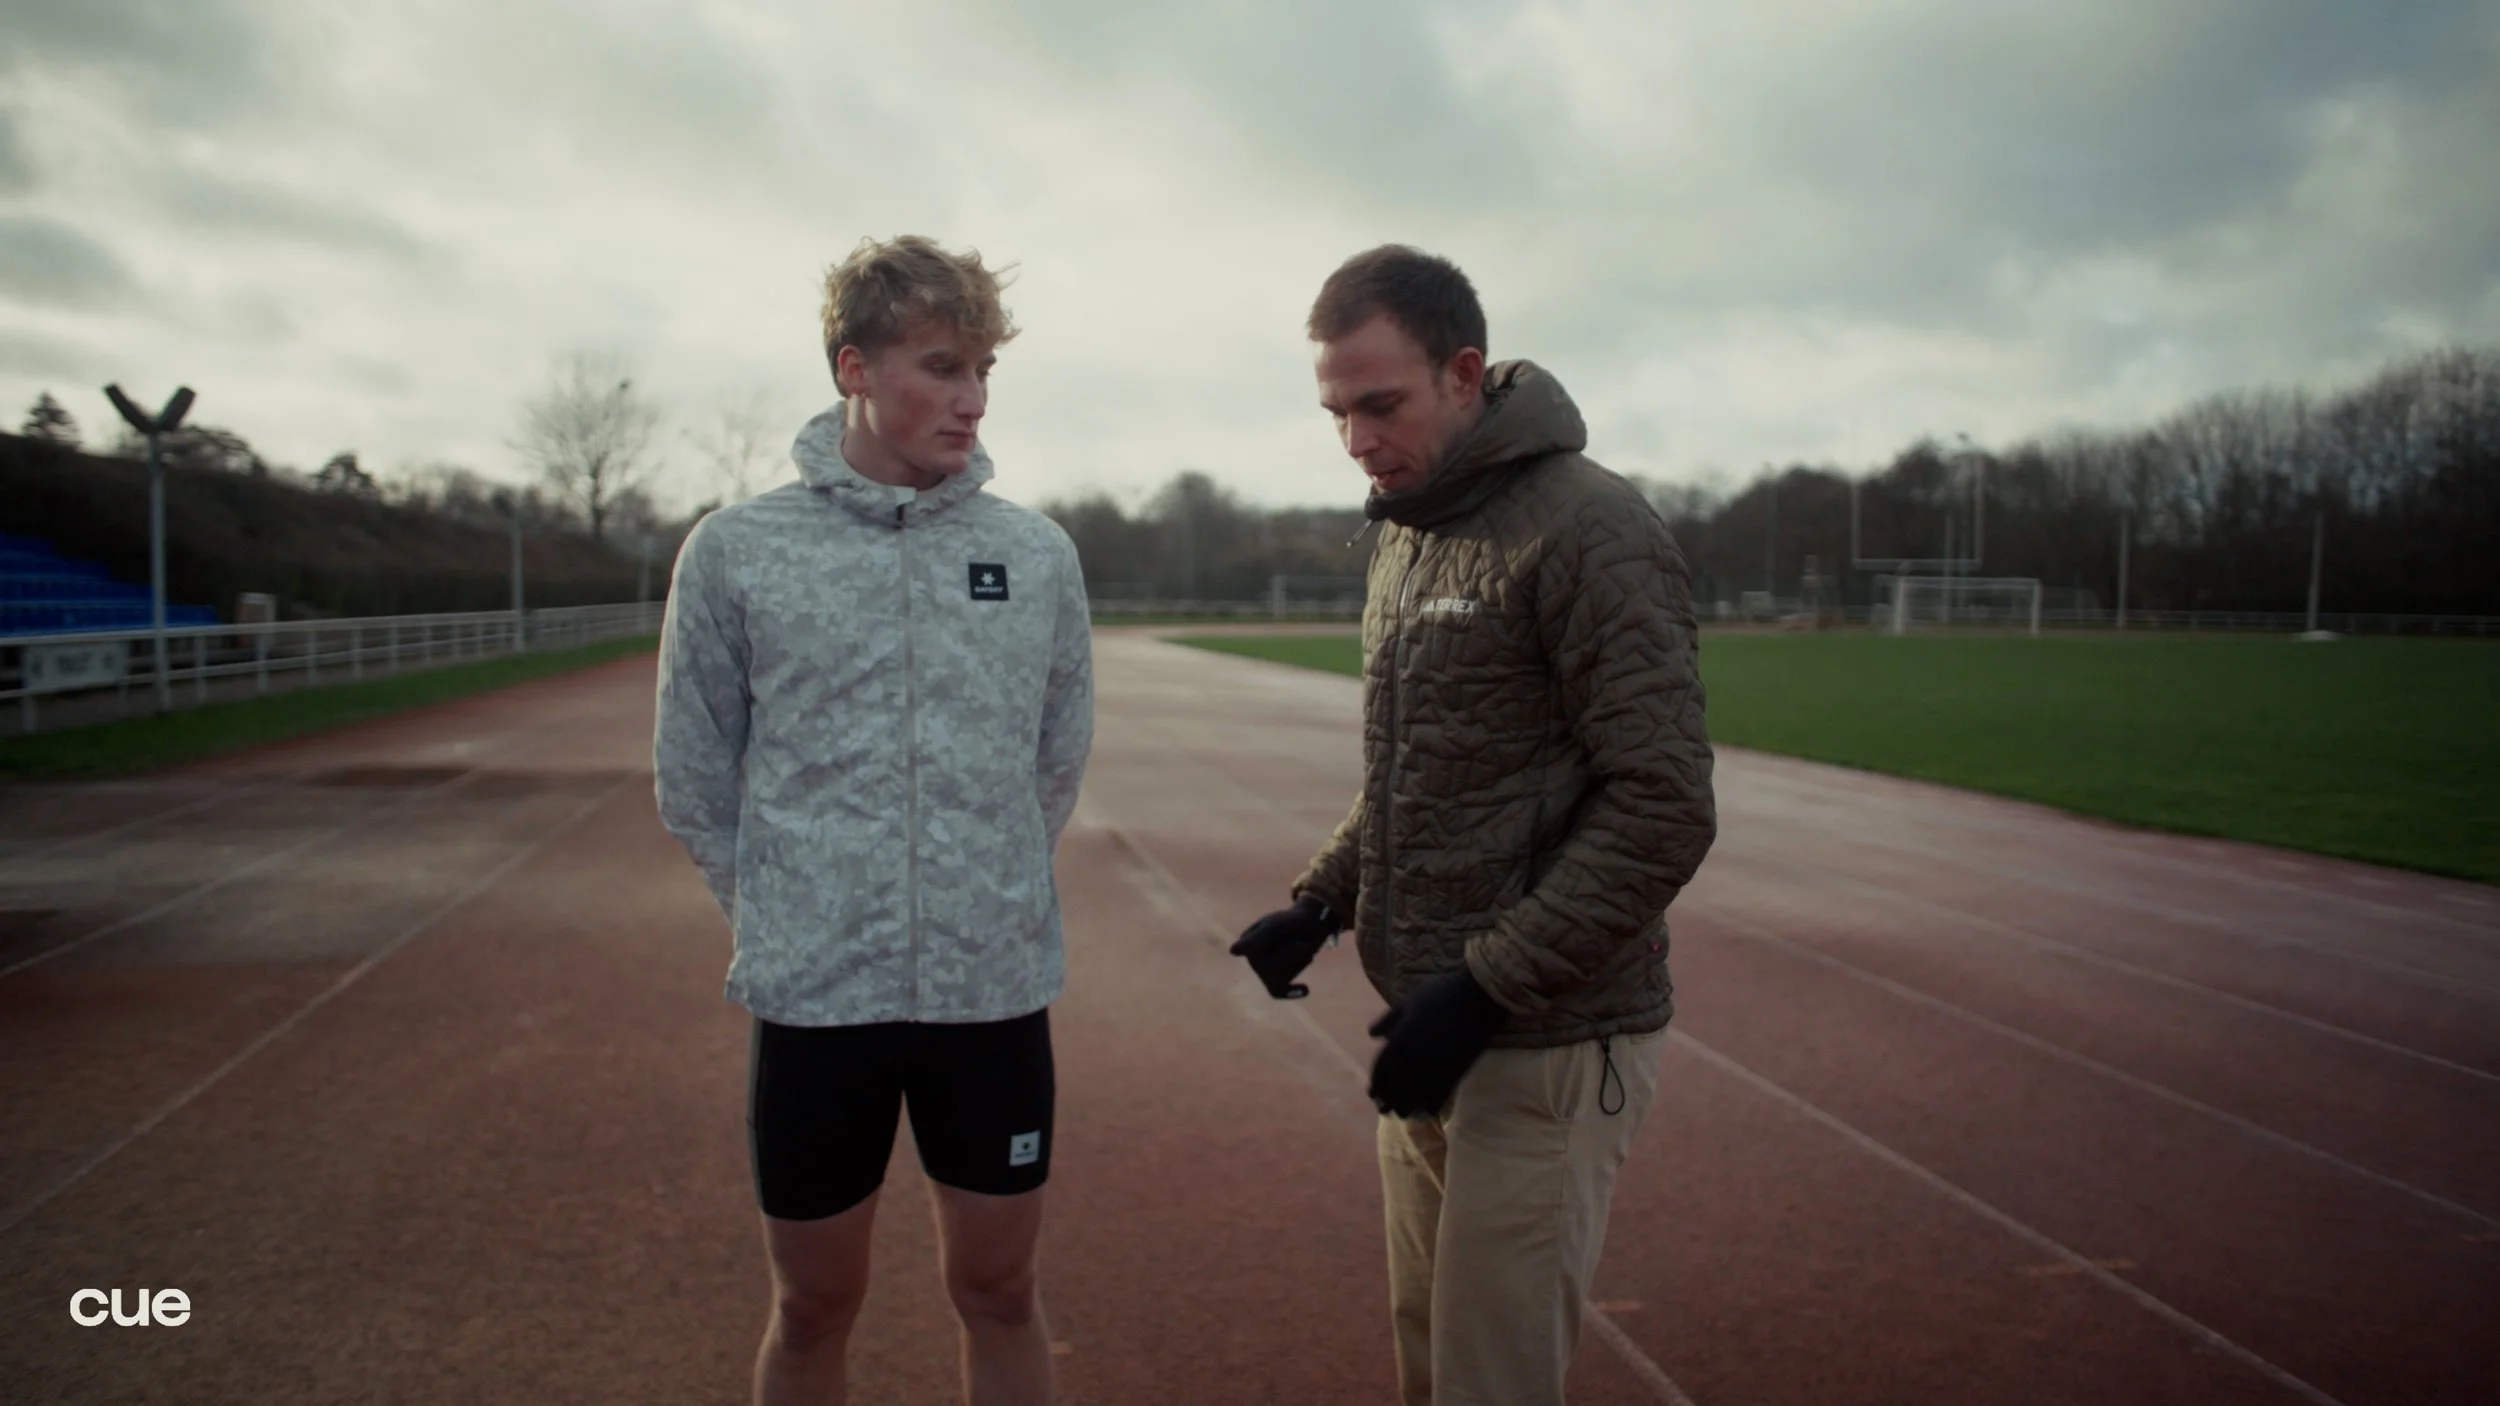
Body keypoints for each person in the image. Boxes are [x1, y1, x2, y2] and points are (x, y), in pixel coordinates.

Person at [1230, 245, 1715, 1406]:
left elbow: (1663, 807)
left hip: (1545, 1039)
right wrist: (1320, 898)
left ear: (1463, 373)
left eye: (1379, 404)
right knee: (1430, 1356)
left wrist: (1486, 988)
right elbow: (1421, 766)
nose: (1355, 438)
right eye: (1335, 411)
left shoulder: (1591, 529)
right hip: (1435, 1028)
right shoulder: (1409, 528)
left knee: (1489, 1383)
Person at [655, 234, 1094, 1406]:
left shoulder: (1033, 553)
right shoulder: (738, 551)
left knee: (1001, 1293)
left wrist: (979, 888)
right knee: (810, 1307)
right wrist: (793, 915)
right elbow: (695, 777)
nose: (972, 398)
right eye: (941, 366)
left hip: (989, 997)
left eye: (984, 371)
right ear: (853, 364)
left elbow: (1053, 763)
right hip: (817, 1004)